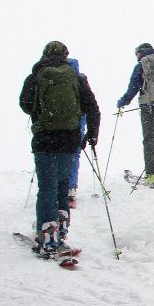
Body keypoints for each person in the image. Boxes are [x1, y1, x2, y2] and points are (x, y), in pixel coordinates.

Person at [19, 41, 100, 254]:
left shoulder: (37, 75)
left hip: (45, 139)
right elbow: (92, 107)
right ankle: (61, 230)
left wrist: (42, 112)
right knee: (62, 185)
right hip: (69, 140)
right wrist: (92, 134)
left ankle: (47, 234)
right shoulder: (77, 78)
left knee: (47, 186)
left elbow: (25, 104)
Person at [115, 42, 154, 189]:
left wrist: (123, 102)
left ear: (141, 52)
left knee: (149, 139)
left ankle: (151, 174)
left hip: (148, 107)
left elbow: (133, 87)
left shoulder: (142, 65)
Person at [66, 57, 89, 210]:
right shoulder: (81, 80)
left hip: (59, 125)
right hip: (78, 123)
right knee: (75, 155)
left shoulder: (53, 78)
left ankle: (57, 187)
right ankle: (71, 188)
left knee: (59, 155)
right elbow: (89, 104)